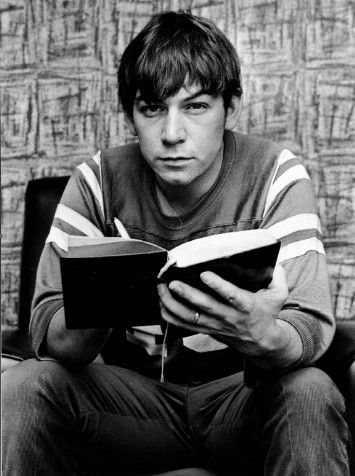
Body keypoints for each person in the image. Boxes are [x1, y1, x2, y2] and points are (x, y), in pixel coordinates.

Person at [2, 10, 350, 476]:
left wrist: (263, 334)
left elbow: (309, 326)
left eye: (196, 106)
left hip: (240, 400)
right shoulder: (98, 181)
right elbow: (48, 330)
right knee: (25, 385)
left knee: (308, 389)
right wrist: (108, 293)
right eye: (152, 109)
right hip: (133, 405)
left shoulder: (276, 175)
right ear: (131, 114)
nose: (171, 134)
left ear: (230, 108)